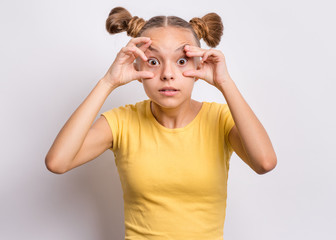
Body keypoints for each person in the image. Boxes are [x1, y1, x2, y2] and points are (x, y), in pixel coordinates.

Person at [45, 6, 277, 239]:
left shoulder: (220, 119)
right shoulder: (121, 122)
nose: (168, 73)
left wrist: (225, 82)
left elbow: (264, 163)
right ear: (136, 66)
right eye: (154, 61)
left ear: (199, 65)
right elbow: (58, 162)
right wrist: (108, 82)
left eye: (182, 61)